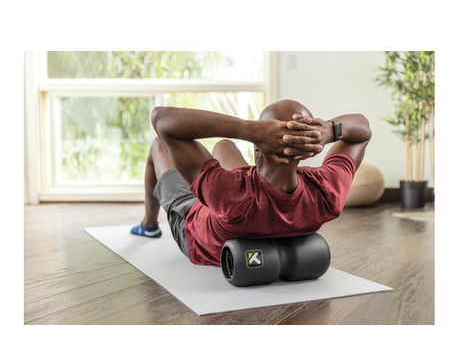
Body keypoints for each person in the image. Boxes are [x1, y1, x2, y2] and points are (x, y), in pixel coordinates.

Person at [130, 99, 372, 266]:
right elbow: (362, 131)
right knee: (224, 146)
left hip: (196, 228)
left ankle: (149, 224)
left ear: (258, 148)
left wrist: (249, 130)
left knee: (159, 145)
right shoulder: (327, 191)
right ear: (309, 149)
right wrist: (330, 129)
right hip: (248, 211)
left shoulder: (231, 193)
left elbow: (162, 119)